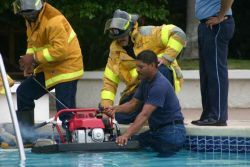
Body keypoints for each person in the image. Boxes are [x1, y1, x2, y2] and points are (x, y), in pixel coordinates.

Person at [101, 9, 186, 124]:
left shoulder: (148, 34)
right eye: (116, 37)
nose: (119, 39)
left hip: (159, 79)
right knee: (121, 117)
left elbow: (178, 33)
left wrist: (166, 58)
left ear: (131, 29)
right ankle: (147, 112)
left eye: (123, 35)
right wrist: (106, 108)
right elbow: (109, 82)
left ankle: (156, 114)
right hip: (138, 89)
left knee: (160, 70)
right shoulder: (115, 52)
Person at [12, 0, 84, 132]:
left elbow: (60, 50)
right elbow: (32, 44)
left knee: (64, 112)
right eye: (24, 15)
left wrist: (34, 58)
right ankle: (26, 135)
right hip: (49, 68)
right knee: (23, 92)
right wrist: (30, 64)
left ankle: (72, 139)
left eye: (29, 14)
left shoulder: (54, 20)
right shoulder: (31, 19)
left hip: (67, 69)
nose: (27, 17)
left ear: (38, 8)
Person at [104, 50, 186, 155]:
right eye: (136, 66)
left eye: (141, 67)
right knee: (133, 146)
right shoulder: (145, 81)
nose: (137, 70)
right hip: (157, 132)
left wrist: (126, 135)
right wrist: (114, 109)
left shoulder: (159, 86)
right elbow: (132, 104)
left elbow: (144, 115)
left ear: (152, 65)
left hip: (172, 133)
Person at [191, 0, 235, 126]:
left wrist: (220, 16)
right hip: (206, 25)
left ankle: (218, 116)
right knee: (206, 74)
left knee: (215, 72)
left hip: (217, 24)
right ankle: (208, 114)